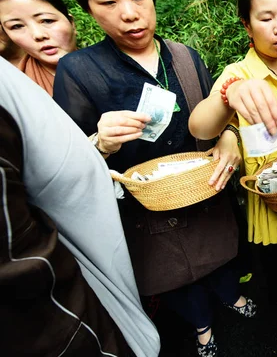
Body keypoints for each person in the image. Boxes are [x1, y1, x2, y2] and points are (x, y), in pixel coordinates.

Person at [52, 0, 255, 355]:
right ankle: (202, 327)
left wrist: (230, 134)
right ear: (86, 9)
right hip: (145, 214)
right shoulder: (77, 71)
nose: (129, 14)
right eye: (107, 2)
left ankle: (233, 298)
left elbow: (219, 114)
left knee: (223, 262)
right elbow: (65, 169)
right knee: (177, 279)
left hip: (207, 197)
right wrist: (100, 143)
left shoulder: (185, 56)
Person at [0, 57, 160, 356]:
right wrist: (101, 144)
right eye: (17, 24)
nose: (39, 34)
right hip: (72, 289)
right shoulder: (76, 72)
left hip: (99, 249)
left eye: (46, 19)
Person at [189, 0, 277, 320]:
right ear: (246, 25)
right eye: (266, 17)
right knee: (276, 251)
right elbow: (199, 125)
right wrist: (231, 93)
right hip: (265, 187)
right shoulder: (237, 74)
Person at [0, 0, 77, 95]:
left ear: (71, 22)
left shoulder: (111, 63)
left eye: (47, 20)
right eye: (17, 26)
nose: (38, 35)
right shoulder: (13, 92)